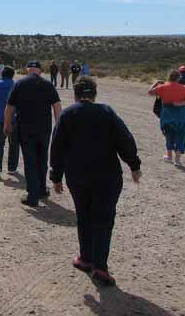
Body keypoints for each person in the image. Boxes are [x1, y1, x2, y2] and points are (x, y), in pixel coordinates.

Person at [50, 77, 142, 287]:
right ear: (95, 94)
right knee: (103, 219)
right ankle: (100, 267)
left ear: (75, 94)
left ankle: (86, 258)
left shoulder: (67, 115)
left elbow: (57, 147)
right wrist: (134, 166)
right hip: (107, 177)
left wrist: (56, 176)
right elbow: (125, 139)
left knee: (83, 216)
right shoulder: (107, 113)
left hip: (77, 177)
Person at [4, 60, 61, 207]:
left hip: (25, 129)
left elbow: (10, 106)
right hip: (44, 129)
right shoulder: (48, 85)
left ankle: (32, 196)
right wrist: (59, 127)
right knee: (42, 159)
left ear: (27, 69)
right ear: (40, 71)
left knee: (30, 161)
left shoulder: (20, 84)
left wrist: (7, 124)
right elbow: (57, 106)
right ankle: (42, 190)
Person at [149, 70, 185, 166]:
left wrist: (156, 83)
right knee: (181, 137)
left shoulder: (163, 87)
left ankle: (169, 157)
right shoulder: (184, 88)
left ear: (169, 77)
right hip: (182, 114)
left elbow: (150, 92)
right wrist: (180, 103)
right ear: (179, 78)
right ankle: (177, 160)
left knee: (169, 135)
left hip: (168, 114)